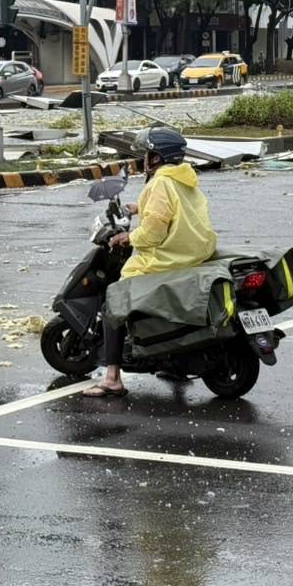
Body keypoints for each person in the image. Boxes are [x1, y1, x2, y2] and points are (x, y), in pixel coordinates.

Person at [85, 128, 217, 398]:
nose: (145, 158)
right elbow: (171, 212)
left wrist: (128, 237)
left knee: (115, 299)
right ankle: (172, 362)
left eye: (149, 154)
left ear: (157, 158)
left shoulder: (159, 183)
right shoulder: (185, 178)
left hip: (168, 258)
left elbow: (154, 232)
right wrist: (137, 208)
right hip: (191, 255)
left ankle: (111, 377)